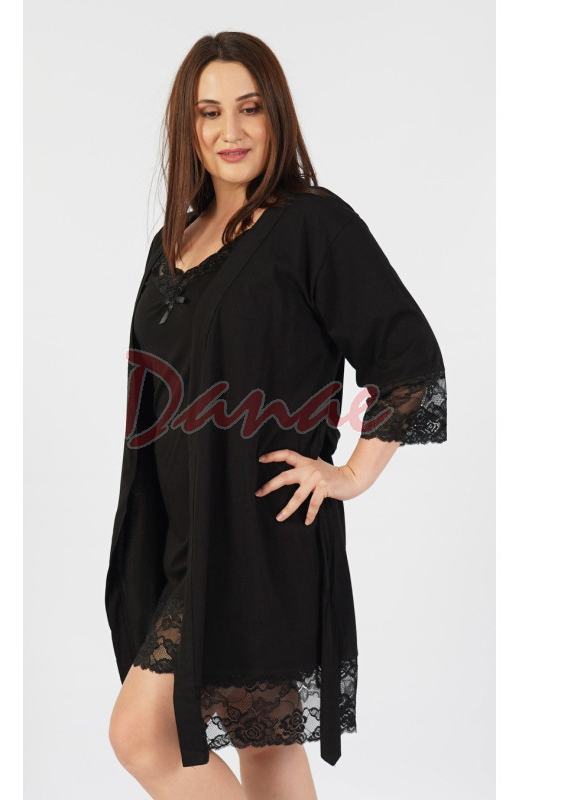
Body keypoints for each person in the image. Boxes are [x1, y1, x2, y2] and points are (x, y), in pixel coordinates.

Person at [106, 31, 447, 800]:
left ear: (276, 115)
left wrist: (351, 472)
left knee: (140, 735)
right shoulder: (172, 243)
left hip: (262, 533)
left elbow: (409, 360)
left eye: (249, 108)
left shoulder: (310, 225)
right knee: (266, 751)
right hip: (185, 538)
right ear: (188, 127)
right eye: (210, 112)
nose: (230, 131)